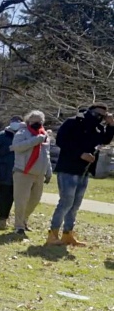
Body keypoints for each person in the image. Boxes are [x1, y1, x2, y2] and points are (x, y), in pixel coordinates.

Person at [48, 104, 114, 246]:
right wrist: (80, 154)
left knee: (75, 204)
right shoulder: (73, 122)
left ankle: (67, 234)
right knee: (66, 202)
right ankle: (52, 233)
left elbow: (105, 140)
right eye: (98, 114)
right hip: (68, 168)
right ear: (90, 111)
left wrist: (111, 125)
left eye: (104, 115)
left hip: (84, 170)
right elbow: (61, 141)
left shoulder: (98, 127)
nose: (100, 117)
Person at [11, 110, 53, 235]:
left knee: (35, 200)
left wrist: (48, 171)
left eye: (39, 120)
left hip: (39, 173)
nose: (37, 122)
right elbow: (16, 147)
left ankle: (24, 220)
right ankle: (18, 226)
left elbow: (47, 154)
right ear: (28, 121)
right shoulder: (22, 132)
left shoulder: (44, 134)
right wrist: (35, 140)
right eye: (34, 120)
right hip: (23, 172)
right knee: (21, 200)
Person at [0, 117, 21, 227]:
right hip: (3, 169)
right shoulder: (2, 135)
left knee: (12, 195)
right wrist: (8, 149)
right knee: (3, 193)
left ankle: (6, 215)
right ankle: (1, 216)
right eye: (14, 122)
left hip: (17, 170)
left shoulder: (21, 136)